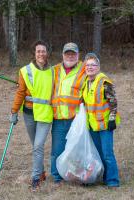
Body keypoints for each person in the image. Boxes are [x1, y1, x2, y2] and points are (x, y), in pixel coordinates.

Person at [9, 40, 53, 191]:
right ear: (34, 53)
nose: (41, 53)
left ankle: (35, 179)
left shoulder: (53, 71)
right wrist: (14, 112)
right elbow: (20, 92)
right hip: (29, 113)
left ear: (47, 53)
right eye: (38, 51)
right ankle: (41, 173)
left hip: (45, 114)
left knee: (38, 146)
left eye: (43, 51)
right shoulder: (25, 71)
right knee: (35, 146)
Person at [82, 52, 120, 188]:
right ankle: (103, 177)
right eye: (88, 65)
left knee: (107, 153)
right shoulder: (86, 83)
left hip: (105, 125)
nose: (90, 67)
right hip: (93, 126)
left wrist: (112, 119)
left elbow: (113, 102)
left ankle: (113, 181)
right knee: (98, 154)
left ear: (98, 67)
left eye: (93, 65)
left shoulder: (104, 82)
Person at [50, 42, 86, 183]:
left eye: (73, 54)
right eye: (67, 53)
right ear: (63, 55)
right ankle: (57, 177)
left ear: (78, 55)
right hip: (58, 118)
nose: (70, 56)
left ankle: (78, 175)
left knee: (77, 150)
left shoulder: (85, 69)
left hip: (76, 119)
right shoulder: (54, 70)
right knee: (57, 151)